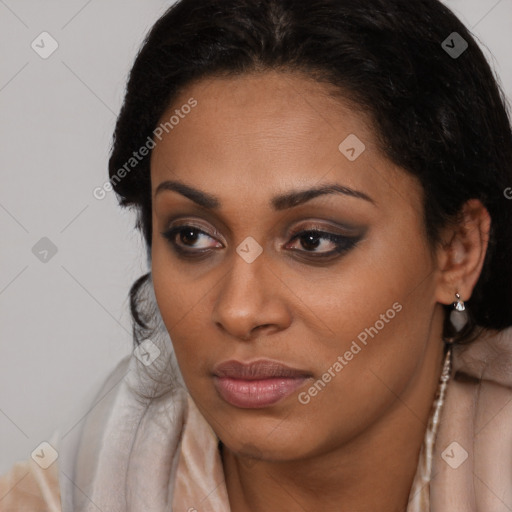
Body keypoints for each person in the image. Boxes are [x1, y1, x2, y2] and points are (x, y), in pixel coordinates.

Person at [2, 0, 512, 510]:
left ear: (458, 252)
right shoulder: (62, 497)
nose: (239, 311)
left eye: (314, 240)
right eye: (193, 236)